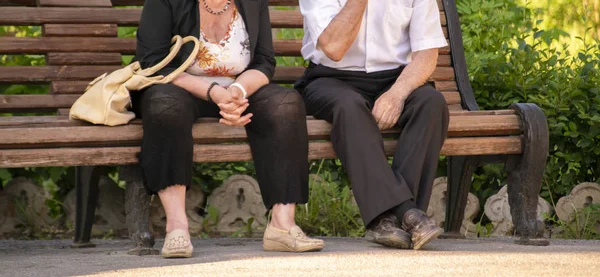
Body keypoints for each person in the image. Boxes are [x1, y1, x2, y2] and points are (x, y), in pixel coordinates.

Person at [133, 0, 324, 258]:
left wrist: (236, 92)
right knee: (164, 106)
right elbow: (154, 62)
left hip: (237, 89)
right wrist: (214, 93)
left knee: (285, 104)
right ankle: (177, 227)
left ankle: (282, 225)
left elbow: (264, 62)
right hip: (178, 87)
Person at [296, 0, 450, 250]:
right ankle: (408, 214)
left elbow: (427, 54)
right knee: (349, 107)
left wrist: (397, 94)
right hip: (331, 79)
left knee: (431, 103)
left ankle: (388, 222)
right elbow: (333, 48)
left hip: (396, 79)